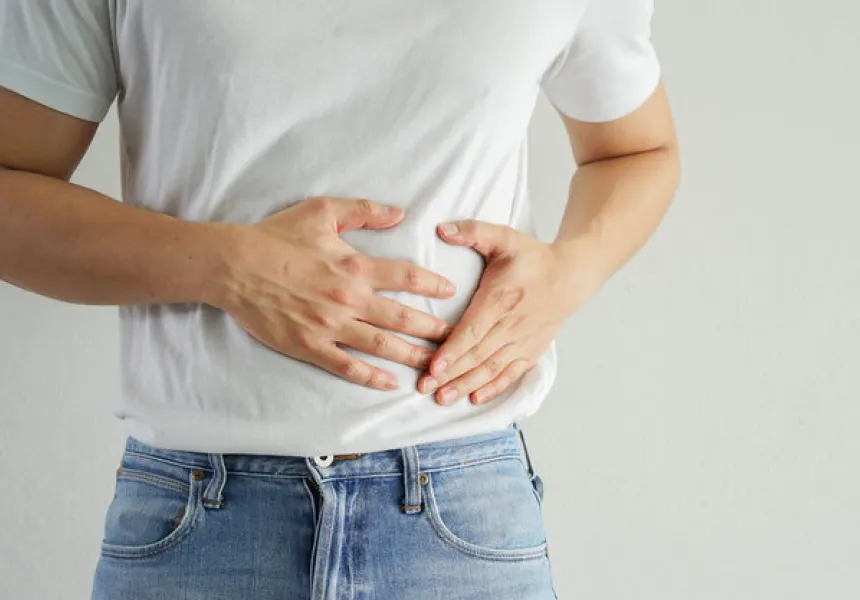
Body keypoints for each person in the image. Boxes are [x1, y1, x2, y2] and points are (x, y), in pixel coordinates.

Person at [0, 0, 679, 598]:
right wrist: (227, 267)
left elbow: (636, 150)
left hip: (461, 515)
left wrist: (570, 273)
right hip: (198, 521)